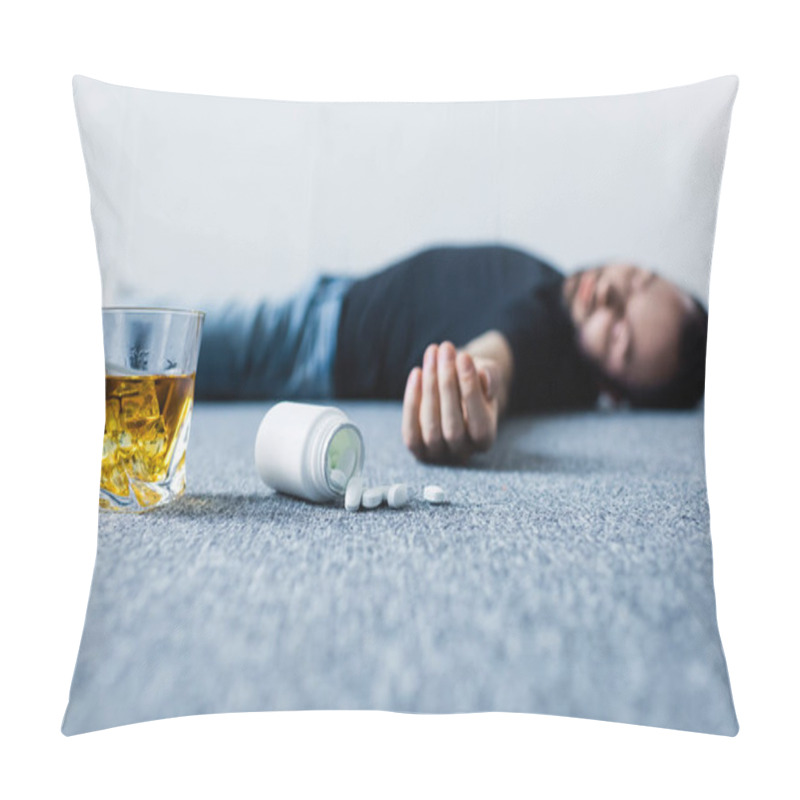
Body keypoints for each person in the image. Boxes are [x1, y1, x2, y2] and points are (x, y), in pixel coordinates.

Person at [194, 243, 708, 464]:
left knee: (150, 346)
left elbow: (503, 356)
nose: (611, 294)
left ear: (612, 394)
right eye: (638, 278)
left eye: (619, 335)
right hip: (335, 298)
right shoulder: (552, 294)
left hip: (311, 340)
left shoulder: (548, 341)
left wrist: (471, 384)